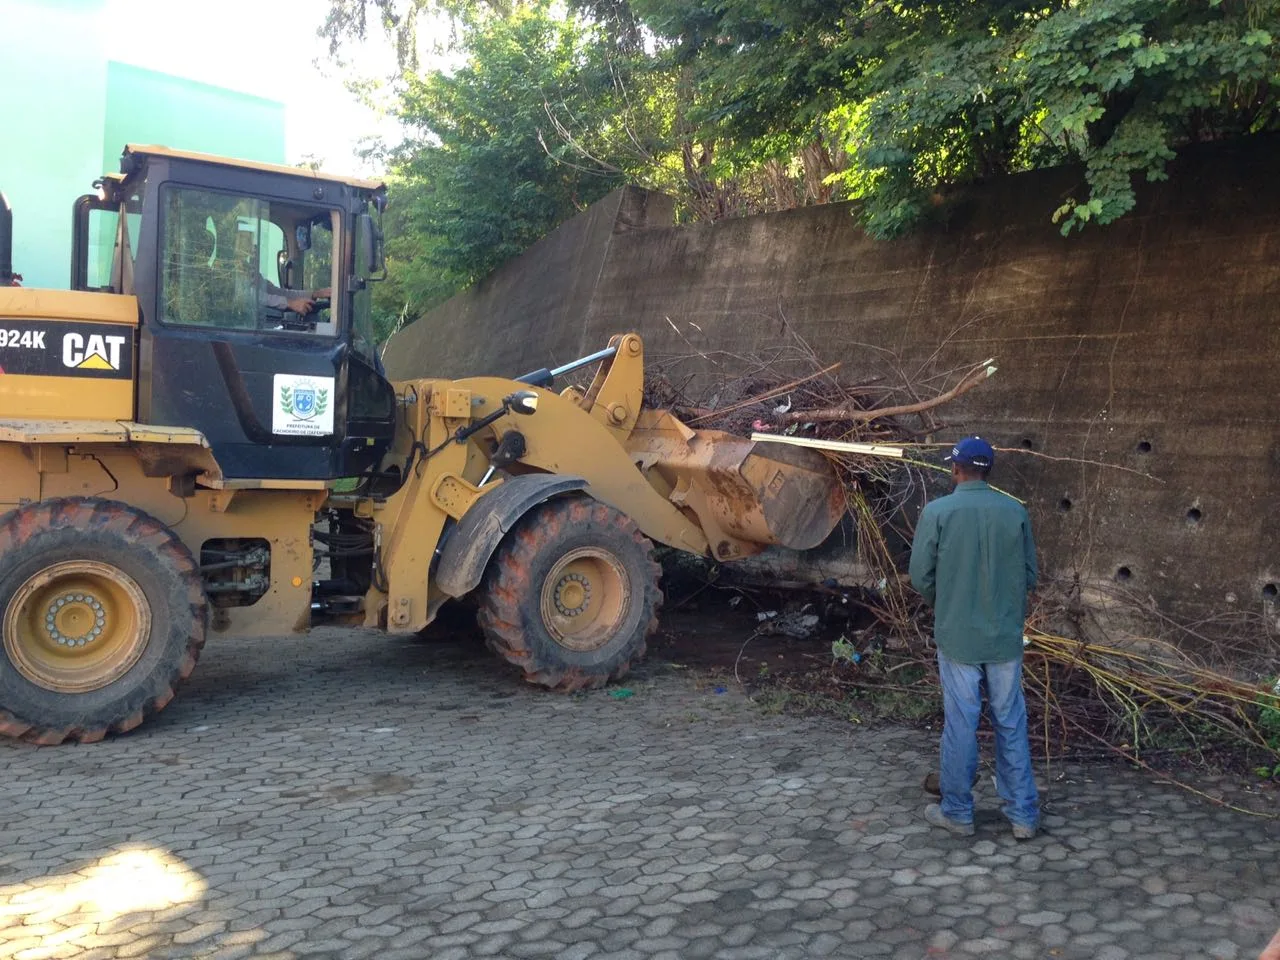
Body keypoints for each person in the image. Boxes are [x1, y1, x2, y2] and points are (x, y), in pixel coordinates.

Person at [908, 436, 1040, 839]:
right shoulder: (1015, 511)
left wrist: (947, 603)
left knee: (961, 724)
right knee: (1010, 721)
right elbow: (1030, 576)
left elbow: (920, 577)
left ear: (956, 469)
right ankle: (1022, 817)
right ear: (989, 471)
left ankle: (959, 813)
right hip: (1004, 638)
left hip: (959, 638)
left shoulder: (938, 512)